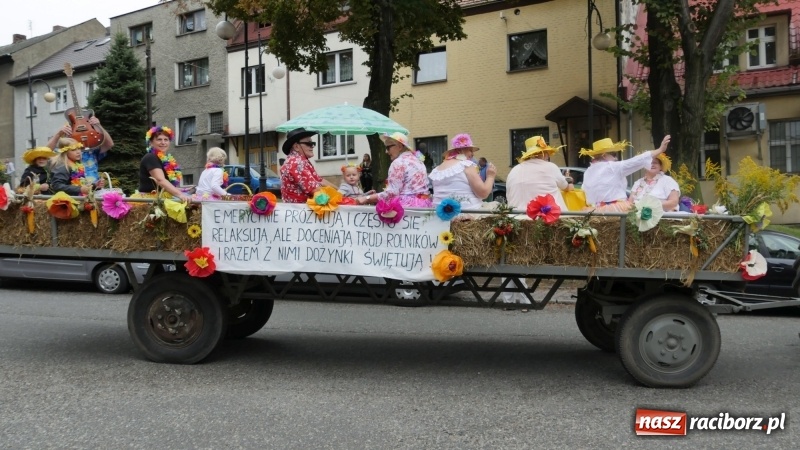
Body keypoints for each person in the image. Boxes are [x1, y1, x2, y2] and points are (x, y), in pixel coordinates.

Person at [580, 135, 671, 212]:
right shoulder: (612, 167)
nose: (616, 158)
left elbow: (584, 190)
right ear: (604, 155)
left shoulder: (588, 171)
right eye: (614, 154)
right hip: (615, 210)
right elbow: (636, 161)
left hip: (592, 211)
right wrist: (660, 150)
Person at [356, 132, 432, 208]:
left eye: (388, 147)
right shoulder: (418, 160)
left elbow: (392, 193)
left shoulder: (398, 163)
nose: (386, 152)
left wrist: (366, 198)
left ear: (399, 146)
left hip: (405, 207)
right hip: (423, 205)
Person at [429, 133, 496, 210]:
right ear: (461, 150)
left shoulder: (437, 170)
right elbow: (483, 193)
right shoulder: (466, 165)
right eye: (470, 150)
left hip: (442, 216)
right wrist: (490, 176)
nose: (473, 154)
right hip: (467, 216)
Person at [506, 136, 573, 212]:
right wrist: (570, 182)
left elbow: (508, 196)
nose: (548, 155)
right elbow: (566, 187)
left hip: (515, 218)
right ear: (543, 153)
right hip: (546, 218)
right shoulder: (550, 167)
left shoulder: (514, 170)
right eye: (547, 152)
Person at [47, 116, 113, 184]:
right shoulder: (64, 152)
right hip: (74, 192)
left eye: (84, 131)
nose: (82, 134)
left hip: (93, 190)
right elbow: (46, 151)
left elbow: (109, 144)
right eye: (77, 131)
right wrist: (58, 134)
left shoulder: (91, 151)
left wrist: (99, 126)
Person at [280, 128, 335, 203]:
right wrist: (341, 196)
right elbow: (315, 190)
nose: (312, 146)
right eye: (308, 143)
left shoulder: (299, 160)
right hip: (300, 211)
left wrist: (340, 191)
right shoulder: (296, 162)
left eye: (313, 143)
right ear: (296, 147)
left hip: (298, 210)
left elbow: (320, 181)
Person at [135, 126, 191, 202]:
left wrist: (182, 190)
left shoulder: (166, 159)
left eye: (166, 140)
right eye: (159, 139)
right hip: (152, 199)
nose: (163, 143)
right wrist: (180, 194)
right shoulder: (150, 157)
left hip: (162, 197)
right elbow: (160, 180)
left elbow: (165, 185)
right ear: (151, 142)